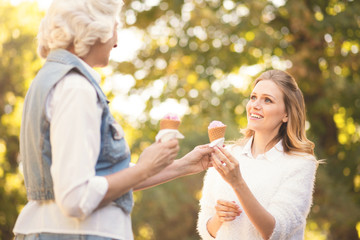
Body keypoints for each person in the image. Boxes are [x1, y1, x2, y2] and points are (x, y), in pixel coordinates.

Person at [13, 0, 213, 239]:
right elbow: (76, 198)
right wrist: (145, 168)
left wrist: (184, 165)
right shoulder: (76, 88)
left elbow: (99, 177)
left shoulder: (51, 81)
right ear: (94, 29)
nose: (116, 41)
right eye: (115, 27)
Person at [197, 69, 319, 240]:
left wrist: (237, 183)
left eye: (267, 100)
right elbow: (205, 228)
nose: (255, 105)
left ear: (286, 114)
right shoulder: (226, 154)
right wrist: (219, 218)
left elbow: (276, 232)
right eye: (253, 97)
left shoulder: (300, 163)